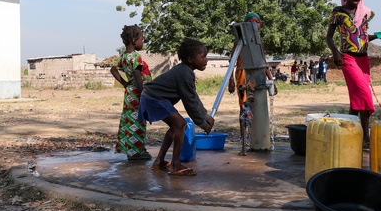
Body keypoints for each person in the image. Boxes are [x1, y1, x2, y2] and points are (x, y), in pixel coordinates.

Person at [138, 39, 215, 176]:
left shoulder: (185, 71)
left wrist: (206, 116)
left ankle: (159, 161)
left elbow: (193, 97)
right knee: (180, 124)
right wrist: (202, 123)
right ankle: (175, 165)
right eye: (203, 56)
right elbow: (189, 102)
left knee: (175, 126)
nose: (206, 60)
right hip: (153, 98)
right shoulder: (184, 73)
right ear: (191, 59)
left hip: (152, 96)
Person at [326, 0, 378, 145]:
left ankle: (352, 135)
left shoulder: (363, 13)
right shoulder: (338, 13)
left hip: (364, 59)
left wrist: (379, 36)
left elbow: (362, 36)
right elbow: (328, 37)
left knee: (357, 100)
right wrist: (335, 52)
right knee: (364, 94)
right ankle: (366, 137)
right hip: (348, 58)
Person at [227, 12, 272, 148]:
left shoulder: (259, 43)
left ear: (260, 26)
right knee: (244, 106)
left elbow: (263, 62)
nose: (254, 24)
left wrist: (271, 80)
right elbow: (232, 60)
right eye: (251, 21)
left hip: (257, 76)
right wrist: (230, 80)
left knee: (258, 105)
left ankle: (258, 137)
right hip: (242, 75)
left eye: (256, 21)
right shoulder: (239, 42)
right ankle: (244, 138)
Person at [110, 25, 153, 161]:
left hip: (129, 93)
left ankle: (134, 149)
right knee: (138, 122)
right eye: (142, 38)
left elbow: (113, 69)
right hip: (137, 94)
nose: (143, 42)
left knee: (129, 122)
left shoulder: (124, 57)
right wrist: (143, 92)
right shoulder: (136, 57)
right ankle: (136, 153)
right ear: (135, 40)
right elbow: (137, 74)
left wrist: (124, 83)